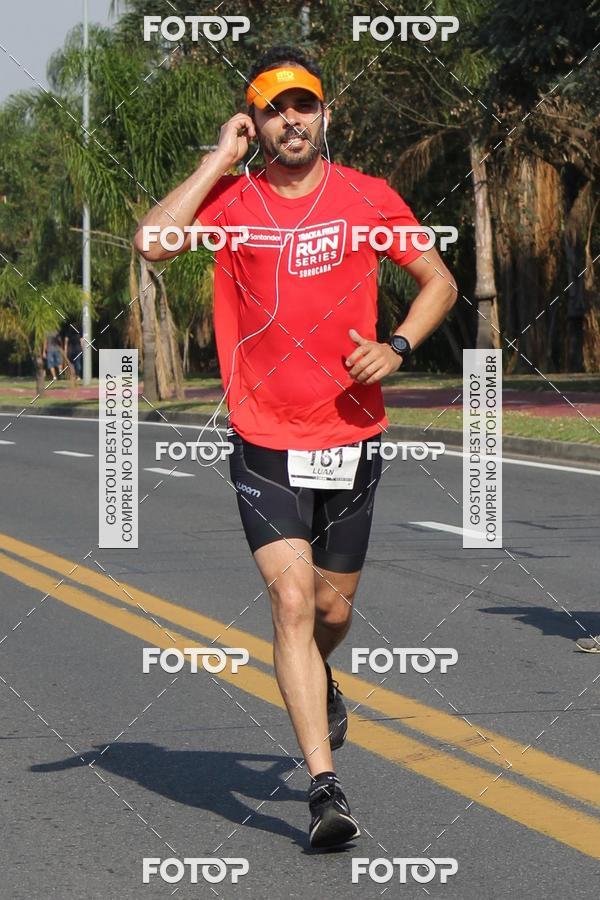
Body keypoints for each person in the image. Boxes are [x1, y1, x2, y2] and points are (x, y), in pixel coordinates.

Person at [135, 45, 457, 849]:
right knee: (288, 601)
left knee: (328, 609)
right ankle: (325, 789)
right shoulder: (235, 204)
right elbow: (152, 243)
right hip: (264, 436)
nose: (291, 120)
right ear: (256, 121)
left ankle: (322, 676)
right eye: (274, 108)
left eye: (303, 105)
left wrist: (400, 346)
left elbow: (439, 281)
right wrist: (217, 159)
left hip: (350, 432)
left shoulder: (366, 197)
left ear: (325, 113)